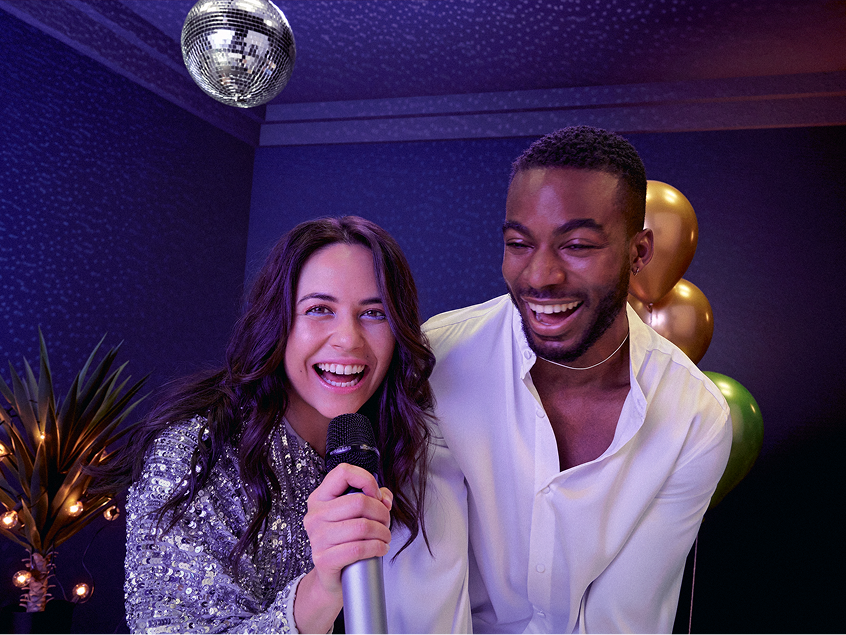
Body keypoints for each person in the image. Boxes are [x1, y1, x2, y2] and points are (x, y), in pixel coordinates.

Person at [385, 126, 733, 634]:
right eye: (519, 243)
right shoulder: (437, 361)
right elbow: (426, 598)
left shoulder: (694, 418)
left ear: (639, 253)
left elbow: (621, 619)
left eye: (577, 245)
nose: (540, 275)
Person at [113, 216, 435, 635]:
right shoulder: (194, 454)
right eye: (319, 310)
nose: (349, 339)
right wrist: (322, 589)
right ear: (277, 320)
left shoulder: (404, 441)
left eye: (374, 313)